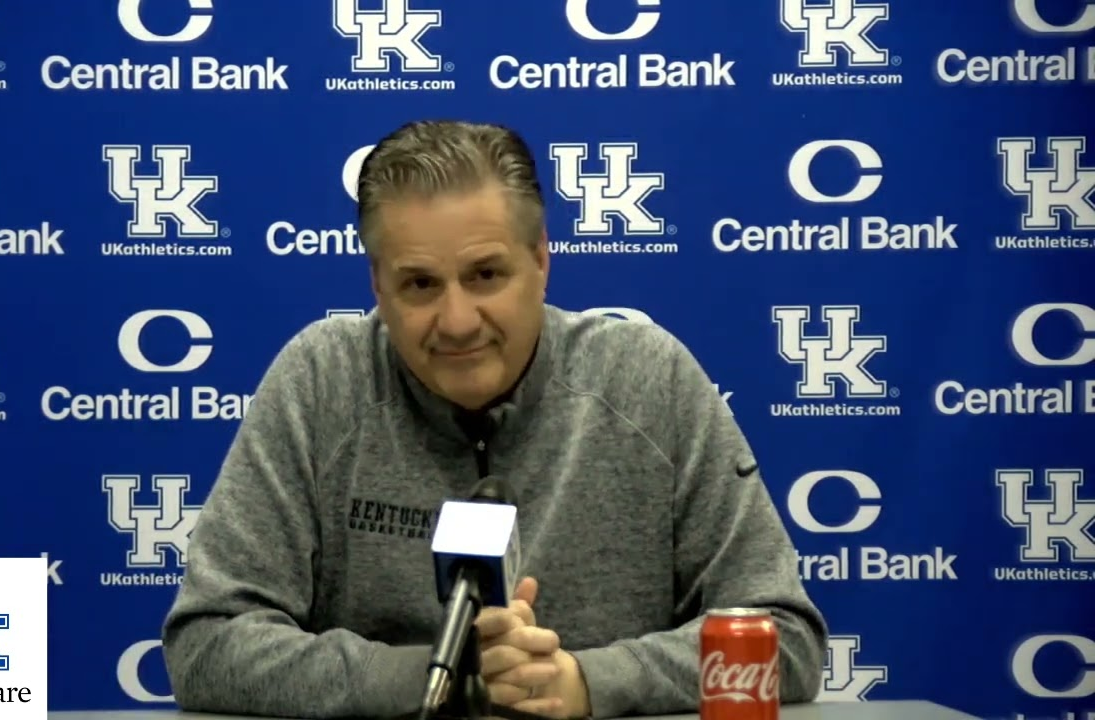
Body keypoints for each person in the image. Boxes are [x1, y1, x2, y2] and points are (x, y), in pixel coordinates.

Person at [160, 119, 828, 719]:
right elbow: (208, 643)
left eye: (485, 275)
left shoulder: (648, 381)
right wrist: (435, 675)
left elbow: (785, 641)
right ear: (376, 285)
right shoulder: (320, 383)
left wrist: (589, 683)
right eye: (419, 284)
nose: (456, 323)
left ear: (541, 261)